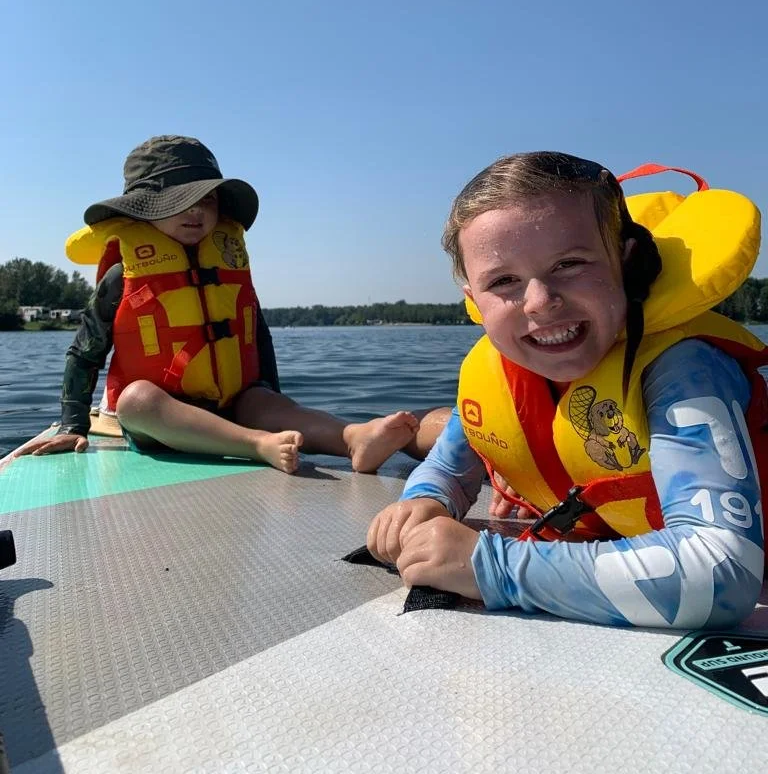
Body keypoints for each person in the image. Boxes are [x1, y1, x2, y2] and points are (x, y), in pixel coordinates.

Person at [367, 153, 768, 629]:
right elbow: (449, 466)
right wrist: (426, 501)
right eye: (504, 281)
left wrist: (494, 568)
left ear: (628, 263)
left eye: (570, 263)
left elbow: (724, 573)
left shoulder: (686, 369)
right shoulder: (498, 370)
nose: (541, 302)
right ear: (474, 301)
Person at [18, 135, 441, 473]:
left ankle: (352, 437)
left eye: (208, 199)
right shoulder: (121, 275)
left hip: (233, 401)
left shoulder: (228, 263)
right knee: (135, 400)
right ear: (144, 212)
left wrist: (271, 396)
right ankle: (256, 445)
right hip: (164, 416)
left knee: (263, 402)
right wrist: (74, 424)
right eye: (179, 200)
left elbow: (257, 337)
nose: (197, 211)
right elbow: (84, 352)